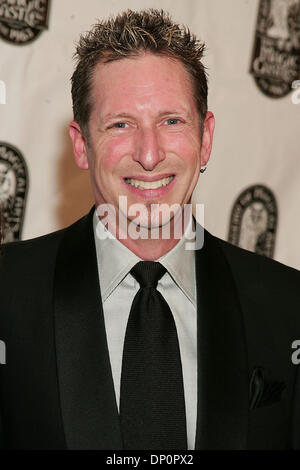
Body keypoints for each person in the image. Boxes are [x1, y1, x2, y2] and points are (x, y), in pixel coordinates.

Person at [0, 8, 300, 450]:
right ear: (82, 145)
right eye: (121, 124)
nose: (149, 153)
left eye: (171, 121)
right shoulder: (8, 293)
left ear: (206, 138)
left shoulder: (286, 304)